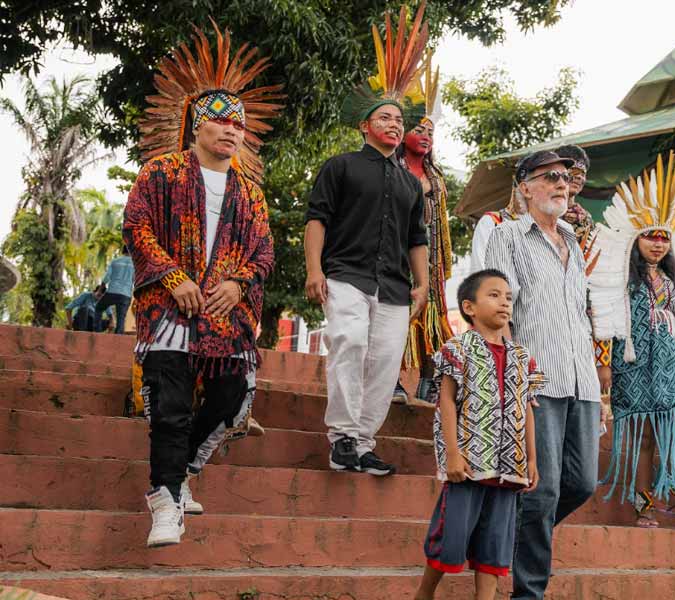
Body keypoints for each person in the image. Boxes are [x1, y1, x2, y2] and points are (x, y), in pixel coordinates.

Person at [125, 26, 280, 548]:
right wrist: (173, 277)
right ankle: (165, 501)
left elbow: (263, 251)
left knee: (230, 398)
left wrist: (238, 284)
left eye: (238, 124)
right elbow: (137, 226)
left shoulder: (250, 194)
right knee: (169, 408)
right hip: (169, 311)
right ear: (197, 125)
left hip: (227, 318)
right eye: (221, 121)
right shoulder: (161, 173)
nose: (231, 131)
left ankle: (185, 468)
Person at [304, 1, 430, 476]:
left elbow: (417, 237)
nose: (394, 124)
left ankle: (361, 443)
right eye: (385, 118)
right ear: (365, 126)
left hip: (395, 286)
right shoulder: (340, 167)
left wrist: (422, 285)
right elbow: (317, 219)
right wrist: (314, 270)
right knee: (349, 342)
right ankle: (341, 436)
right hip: (346, 275)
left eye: (399, 120)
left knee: (384, 363)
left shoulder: (411, 184)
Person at [486, 150, 602, 600]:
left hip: (582, 382)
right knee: (543, 487)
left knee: (583, 483)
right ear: (525, 187)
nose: (561, 183)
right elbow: (499, 309)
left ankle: (507, 535)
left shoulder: (573, 240)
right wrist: (511, 377)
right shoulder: (508, 236)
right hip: (538, 379)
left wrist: (598, 381)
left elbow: (580, 314)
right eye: (550, 176)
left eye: (566, 177)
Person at [413, 268, 543, 600]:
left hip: (510, 466)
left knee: (495, 549)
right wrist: (452, 453)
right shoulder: (458, 349)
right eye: (494, 295)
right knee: (451, 542)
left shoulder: (522, 357)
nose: (504, 302)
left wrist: (532, 459)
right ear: (469, 307)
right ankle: (424, 596)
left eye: (508, 297)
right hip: (469, 463)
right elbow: (446, 402)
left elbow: (527, 409)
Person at [589, 154, 675, 528]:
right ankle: (645, 506)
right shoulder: (620, 279)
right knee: (643, 438)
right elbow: (602, 318)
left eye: (664, 238)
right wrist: (603, 363)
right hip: (634, 366)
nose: (658, 244)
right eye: (650, 236)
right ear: (635, 239)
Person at [394, 60, 454, 406]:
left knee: (433, 321)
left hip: (431, 264)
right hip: (398, 258)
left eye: (430, 132)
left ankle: (428, 383)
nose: (426, 136)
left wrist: (441, 265)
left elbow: (441, 226)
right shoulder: (392, 169)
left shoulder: (437, 177)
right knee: (397, 318)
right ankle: (393, 380)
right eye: (418, 129)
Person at [553, 144, 594, 249]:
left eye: (583, 173)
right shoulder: (542, 211)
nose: (579, 177)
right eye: (575, 170)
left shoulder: (586, 219)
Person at [96, 245, 135, 333]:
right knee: (121, 318)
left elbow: (106, 278)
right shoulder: (135, 264)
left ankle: (96, 331)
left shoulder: (115, 261)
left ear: (122, 251)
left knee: (98, 308)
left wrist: (99, 291)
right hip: (126, 295)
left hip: (112, 292)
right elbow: (135, 279)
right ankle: (118, 336)